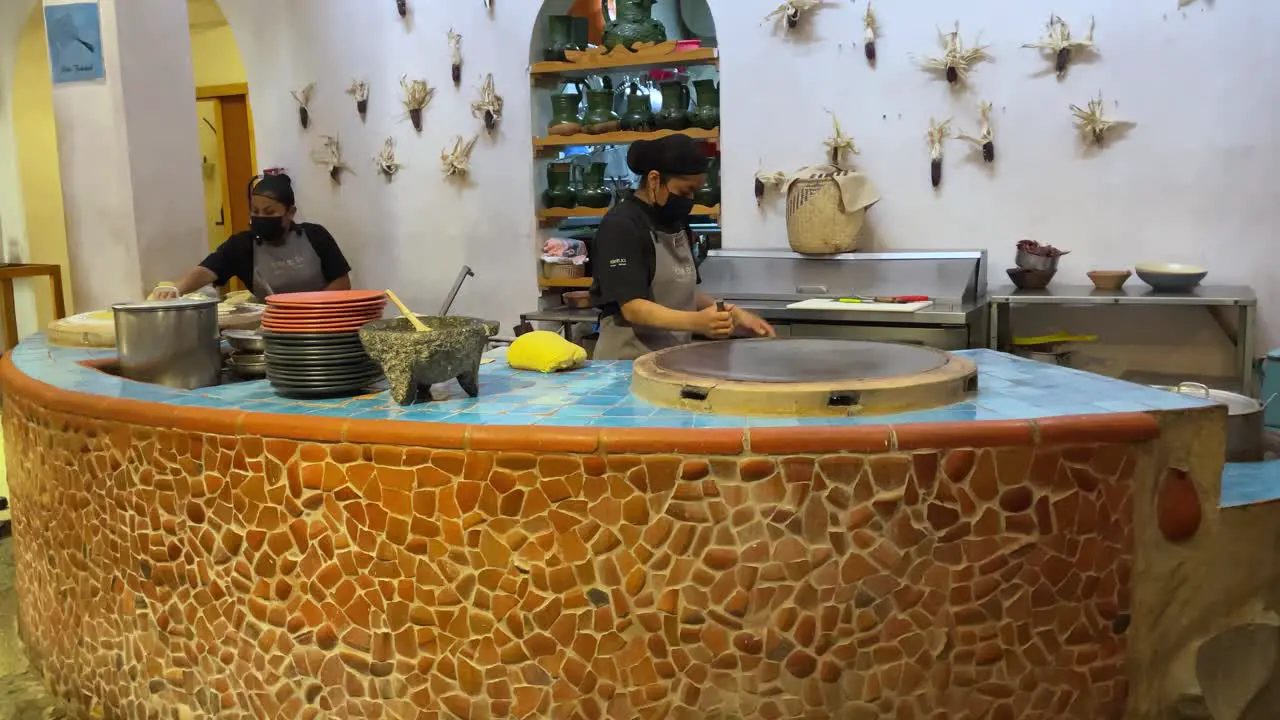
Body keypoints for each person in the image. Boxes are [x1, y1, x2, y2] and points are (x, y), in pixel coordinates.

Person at [590, 134, 774, 360]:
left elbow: (683, 292)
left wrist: (733, 314)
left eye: (694, 192)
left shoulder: (676, 223)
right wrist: (697, 322)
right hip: (626, 365)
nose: (689, 200)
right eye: (684, 191)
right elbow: (633, 307)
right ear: (654, 179)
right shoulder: (622, 225)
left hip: (668, 360)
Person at [150, 172, 352, 300]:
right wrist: (177, 289)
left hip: (325, 325)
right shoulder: (242, 246)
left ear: (290, 213)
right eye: (255, 211)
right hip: (276, 333)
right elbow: (207, 270)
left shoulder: (315, 236)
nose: (261, 217)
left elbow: (342, 284)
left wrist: (305, 310)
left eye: (270, 212)